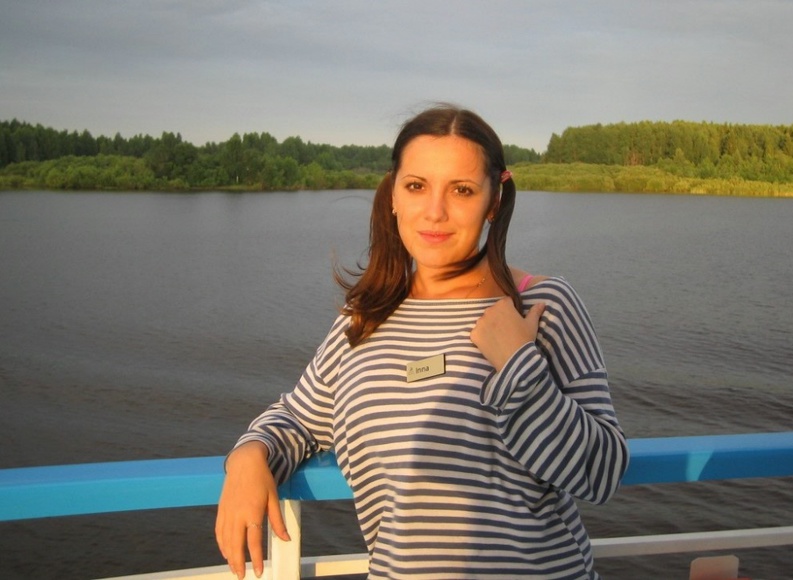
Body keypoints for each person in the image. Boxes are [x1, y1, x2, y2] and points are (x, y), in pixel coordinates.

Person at [216, 104, 629, 579]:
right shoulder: (364, 320)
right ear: (393, 193)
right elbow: (299, 421)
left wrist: (519, 366)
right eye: (416, 186)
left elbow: (602, 472)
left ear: (494, 201)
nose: (435, 212)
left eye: (462, 190)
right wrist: (250, 455)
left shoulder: (540, 304)